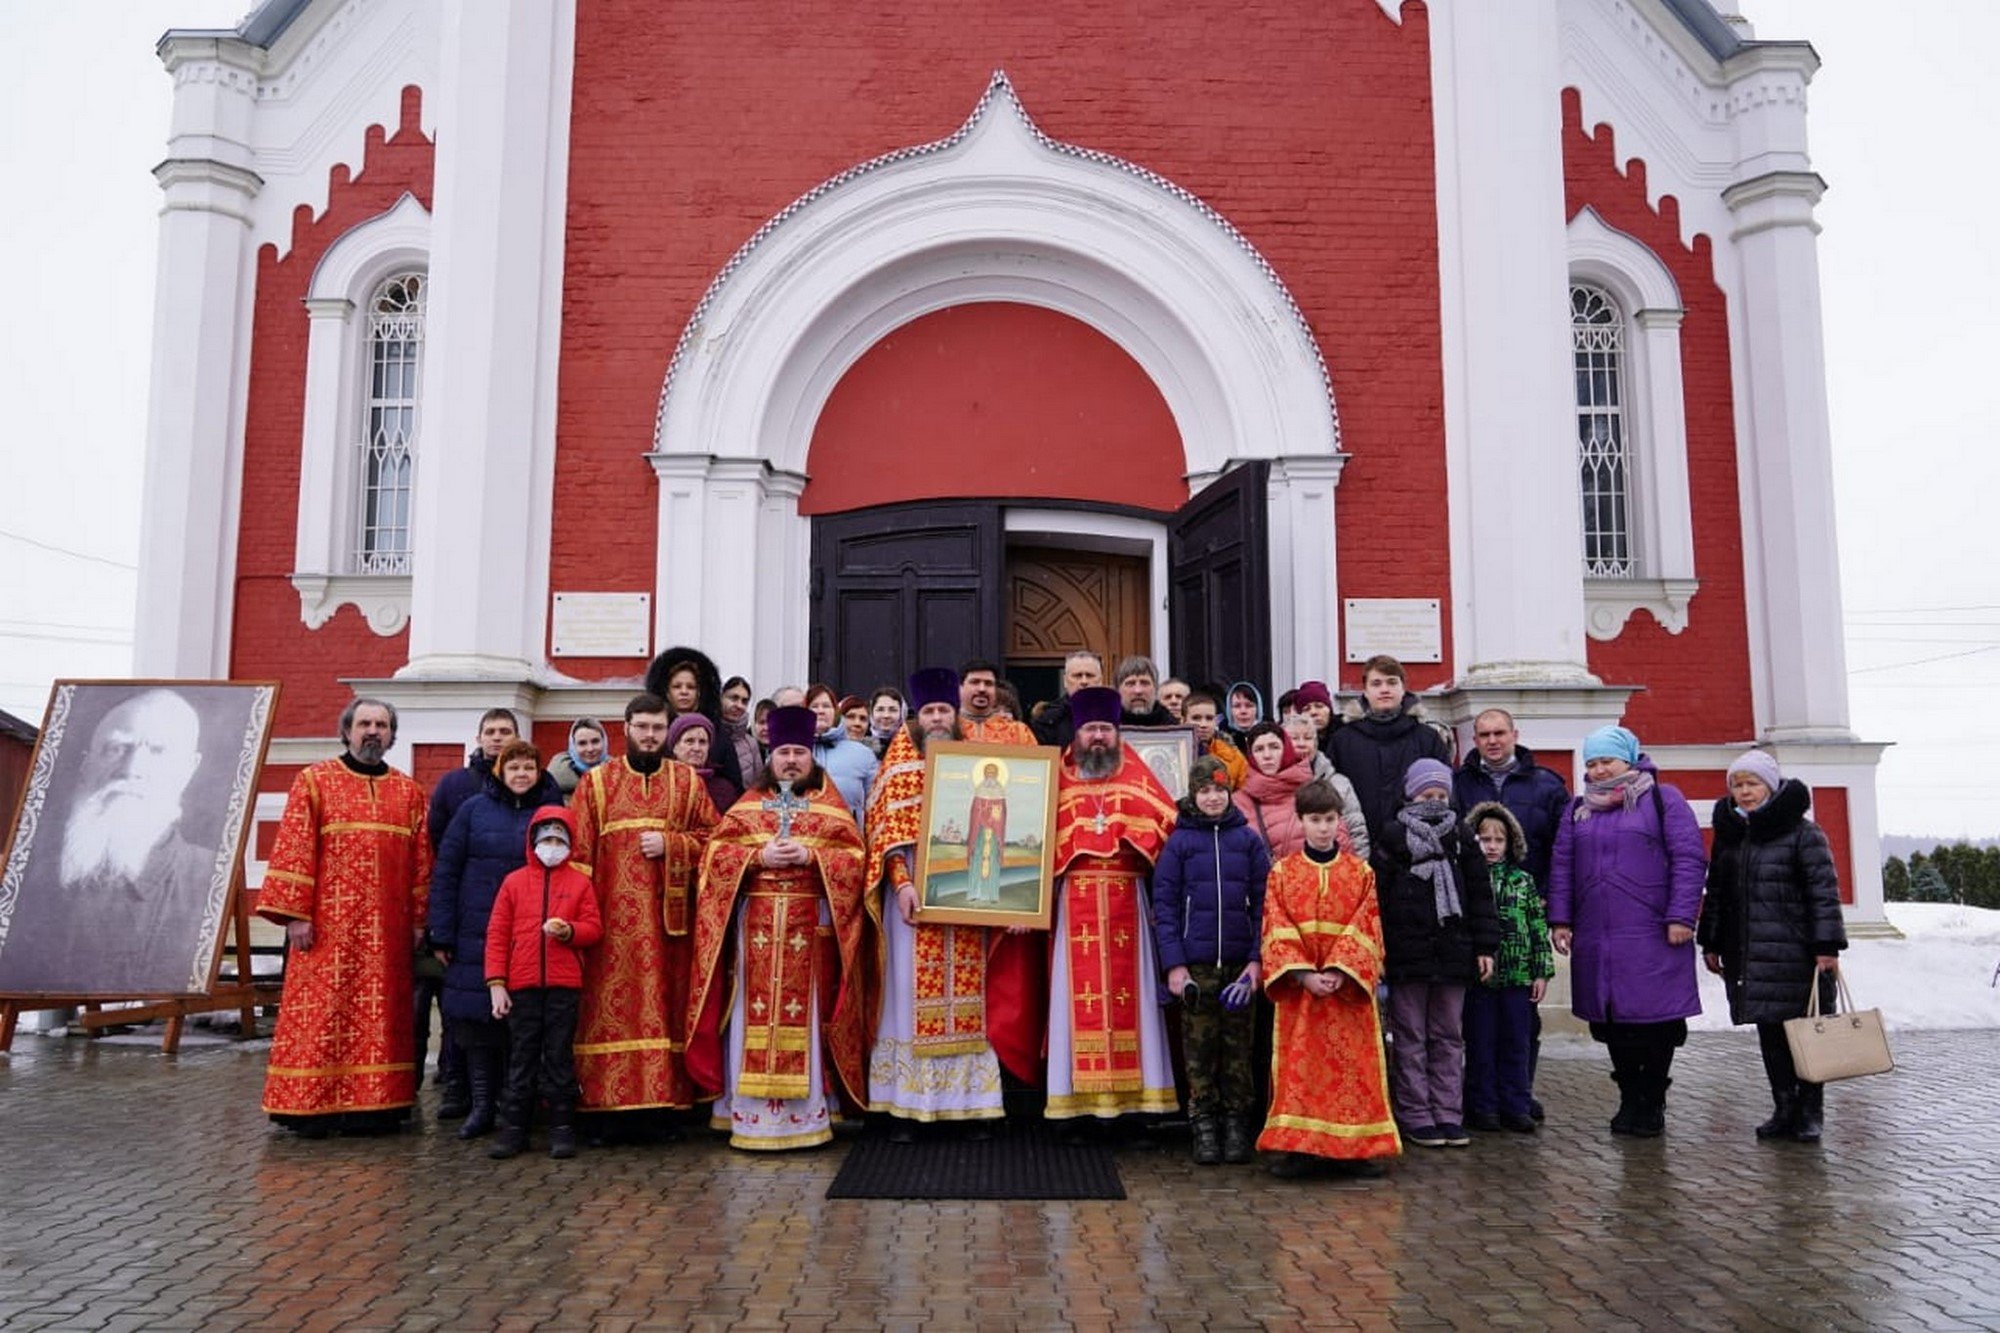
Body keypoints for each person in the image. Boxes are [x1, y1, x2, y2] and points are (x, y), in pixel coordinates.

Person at [687, 706, 875, 1150]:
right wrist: (757, 858)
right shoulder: (749, 806)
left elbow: (855, 861)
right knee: (750, 1018)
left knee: (805, 1018)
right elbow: (713, 860)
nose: (791, 760)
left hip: (809, 935)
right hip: (754, 932)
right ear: (771, 755)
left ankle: (805, 1118)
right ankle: (750, 1117)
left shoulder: (832, 808)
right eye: (784, 752)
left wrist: (814, 858)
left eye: (800, 753)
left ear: (812, 757)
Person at [864, 668, 1036, 1134]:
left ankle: (972, 1106)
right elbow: (885, 837)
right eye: (929, 711)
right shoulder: (898, 762)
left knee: (972, 999)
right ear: (916, 717)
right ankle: (908, 1107)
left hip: (966, 898)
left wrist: (1014, 898)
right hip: (915, 903)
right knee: (907, 1004)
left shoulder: (971, 759)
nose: (937, 718)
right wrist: (901, 885)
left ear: (954, 714)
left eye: (944, 710)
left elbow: (1008, 828)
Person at [258, 698, 431, 1137]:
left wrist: (417, 921)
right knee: (323, 1013)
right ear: (347, 730)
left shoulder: (408, 792)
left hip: (387, 933)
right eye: (365, 724)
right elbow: (295, 847)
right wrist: (295, 914)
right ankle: (311, 1106)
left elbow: (421, 863)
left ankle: (374, 1106)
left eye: (382, 725)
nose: (373, 732)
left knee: (381, 1017)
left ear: (392, 734)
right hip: (326, 928)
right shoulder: (315, 782)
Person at [568, 693, 720, 1141]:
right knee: (607, 1013)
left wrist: (673, 844)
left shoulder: (687, 783)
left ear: (666, 731)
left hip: (667, 926)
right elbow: (578, 857)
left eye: (657, 728)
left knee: (665, 1010)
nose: (650, 736)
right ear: (627, 728)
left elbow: (715, 839)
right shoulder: (597, 784)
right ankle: (603, 1111)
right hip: (609, 929)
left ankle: (663, 1111)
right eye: (642, 727)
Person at [3, 688, 216, 993]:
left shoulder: (207, 878)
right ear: (87, 764)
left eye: (157, 751)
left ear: (188, 768)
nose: (131, 770)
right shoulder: (32, 874)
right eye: (116, 748)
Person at [1549, 725, 1707, 1137]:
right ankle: (1628, 1096)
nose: (1599, 771)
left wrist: (1681, 916)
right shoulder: (1578, 809)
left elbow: (1688, 859)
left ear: (1630, 760)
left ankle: (1651, 1100)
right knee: (1613, 1019)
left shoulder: (1662, 799)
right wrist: (1561, 920)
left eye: (1607, 761)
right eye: (1592, 763)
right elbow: (1562, 866)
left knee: (1655, 1021)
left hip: (1653, 931)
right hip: (1599, 935)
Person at [1044, 687, 1180, 1126]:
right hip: (1075, 900)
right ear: (1077, 733)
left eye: (1105, 728)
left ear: (1117, 733)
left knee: (1133, 998)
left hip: (1127, 899)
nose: (1098, 737)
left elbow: (1166, 825)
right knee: (1073, 999)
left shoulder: (1137, 776)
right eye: (1090, 729)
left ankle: (1137, 1106)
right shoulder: (1057, 778)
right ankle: (1076, 1108)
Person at [1698, 750, 1847, 1144]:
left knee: (1805, 1034)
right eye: (1737, 785)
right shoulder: (1732, 836)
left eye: (1752, 784)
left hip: (1797, 954)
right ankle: (1784, 1108)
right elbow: (1716, 892)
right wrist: (1710, 940)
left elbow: (1823, 892)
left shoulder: (1803, 833)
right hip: (1750, 953)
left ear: (1771, 785)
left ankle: (1810, 1111)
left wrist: (1827, 944)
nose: (1744, 793)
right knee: (1770, 1034)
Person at [1258, 780, 1401, 1178]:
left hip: (1347, 991)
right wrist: (1303, 974)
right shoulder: (1282, 873)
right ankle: (1300, 1149)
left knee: (1352, 1069)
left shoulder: (1361, 873)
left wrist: (1339, 969)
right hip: (1300, 992)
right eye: (1315, 820)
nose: (1323, 828)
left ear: (1340, 822)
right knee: (1301, 1069)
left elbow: (1368, 926)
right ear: (1301, 821)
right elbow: (1275, 926)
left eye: (1330, 819)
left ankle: (1356, 1148)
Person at [1452, 706, 1570, 1119]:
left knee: (1522, 1026)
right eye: (1483, 734)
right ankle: (1482, 1099)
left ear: (1514, 734)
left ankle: (1519, 1093)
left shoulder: (1546, 785)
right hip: (1475, 924)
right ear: (1475, 739)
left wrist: (1554, 906)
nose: (1492, 741)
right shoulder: (1459, 783)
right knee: (1479, 1027)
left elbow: (1563, 850)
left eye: (1499, 733)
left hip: (1526, 910)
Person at [1151, 757, 1270, 1165]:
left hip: (1239, 967)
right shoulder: (1180, 843)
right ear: (1193, 794)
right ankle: (1203, 1123)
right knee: (1199, 1048)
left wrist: (1256, 962)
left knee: (1239, 1047)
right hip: (1196, 966)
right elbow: (1164, 906)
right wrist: (1174, 965)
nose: (1213, 798)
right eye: (1205, 791)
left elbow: (1265, 906)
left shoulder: (1248, 841)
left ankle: (1237, 1123)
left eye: (1220, 790)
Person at [428, 739, 549, 1139]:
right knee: (478, 1024)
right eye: (513, 767)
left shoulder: (549, 814)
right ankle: (481, 1106)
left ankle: (512, 1106)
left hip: (530, 933)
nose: (520, 775)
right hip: (475, 930)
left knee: (523, 1023)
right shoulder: (472, 811)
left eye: (528, 768)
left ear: (538, 772)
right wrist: (441, 931)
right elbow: (446, 870)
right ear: (500, 771)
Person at [1377, 758, 1497, 1148]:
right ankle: (1415, 1112)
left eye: (1441, 795)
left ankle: (1448, 1111)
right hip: (1406, 954)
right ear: (1411, 794)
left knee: (1448, 1035)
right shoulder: (1393, 837)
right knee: (1409, 1036)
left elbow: (1480, 895)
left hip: (1453, 950)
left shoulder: (1462, 838)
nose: (1434, 801)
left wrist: (1485, 947)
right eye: (1427, 794)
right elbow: (1378, 898)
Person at [485, 807, 604, 1161]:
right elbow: (497, 934)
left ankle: (562, 1127)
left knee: (558, 1057)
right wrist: (496, 982)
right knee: (521, 1057)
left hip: (563, 984)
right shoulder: (514, 882)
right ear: (534, 842)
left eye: (558, 840)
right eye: (546, 840)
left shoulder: (580, 883)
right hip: (522, 984)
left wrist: (569, 932)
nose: (552, 846)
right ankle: (514, 1129)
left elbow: (594, 928)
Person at [1461, 802, 1553, 1134]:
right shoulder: (1469, 878)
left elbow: (1537, 927)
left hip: (1518, 976)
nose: (1491, 846)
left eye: (1498, 840)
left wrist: (1541, 970)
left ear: (1510, 843)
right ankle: (1482, 1105)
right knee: (1481, 1043)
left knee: (1516, 1043)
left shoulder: (1522, 881)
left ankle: (1516, 1103)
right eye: (1484, 839)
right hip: (1481, 979)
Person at [1329, 655, 1450, 873]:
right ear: (1365, 691)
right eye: (1376, 683)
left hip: (1417, 857)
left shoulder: (1427, 738)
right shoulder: (1343, 740)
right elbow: (1331, 797)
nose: (1385, 689)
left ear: (1403, 689)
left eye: (1392, 682)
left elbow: (1447, 796)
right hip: (1357, 854)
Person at [1234, 722, 1369, 863]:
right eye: (1259, 749)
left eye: (1274, 747)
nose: (1267, 755)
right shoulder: (1239, 802)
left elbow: (1343, 845)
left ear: (1286, 749)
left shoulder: (1314, 792)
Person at [646, 645, 746, 792]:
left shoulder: (718, 732)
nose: (684, 692)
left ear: (699, 692)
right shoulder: (655, 730)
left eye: (690, 687)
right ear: (667, 692)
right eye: (677, 686)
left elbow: (733, 781)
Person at [794, 684, 880, 824]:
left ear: (835, 712)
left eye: (826, 706)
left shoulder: (862, 754)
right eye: (814, 706)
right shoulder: (788, 752)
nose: (820, 711)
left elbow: (876, 805)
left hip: (846, 838)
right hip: (802, 837)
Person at [669, 713, 741, 816]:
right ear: (675, 747)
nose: (697, 748)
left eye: (702, 742)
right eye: (689, 741)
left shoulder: (724, 789)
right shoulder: (663, 784)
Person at [1029, 649, 1105, 748]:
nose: (1084, 681)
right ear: (1065, 681)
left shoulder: (1116, 716)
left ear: (1100, 680)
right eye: (1077, 676)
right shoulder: (1047, 721)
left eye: (1090, 675)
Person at [958, 658, 1037, 745]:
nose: (982, 689)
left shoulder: (1019, 731)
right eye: (975, 682)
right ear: (960, 687)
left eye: (988, 683)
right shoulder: (948, 727)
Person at [1181, 690, 1248, 789]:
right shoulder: (1172, 753)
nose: (1203, 724)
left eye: (1209, 718)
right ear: (1183, 721)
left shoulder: (1234, 756)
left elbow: (1245, 794)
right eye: (1196, 718)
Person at [719, 676, 762, 789]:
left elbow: (758, 785)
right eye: (734, 698)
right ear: (721, 697)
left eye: (744, 701)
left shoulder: (751, 743)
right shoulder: (706, 736)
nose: (739, 705)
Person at [547, 718, 609, 796]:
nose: (590, 749)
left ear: (604, 742)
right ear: (572, 746)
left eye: (595, 741)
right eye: (582, 743)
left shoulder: (619, 775)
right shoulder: (554, 783)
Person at [1112, 655, 1176, 728]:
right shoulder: (1106, 727)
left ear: (1156, 689)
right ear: (1117, 690)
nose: (1138, 691)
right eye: (1130, 684)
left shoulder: (1173, 728)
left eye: (1145, 683)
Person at [1290, 680, 1339, 761]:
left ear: (1330, 709)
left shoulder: (1346, 738)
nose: (1313, 712)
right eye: (1306, 709)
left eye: (1319, 706)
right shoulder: (1294, 743)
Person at [1222, 680, 1266, 752]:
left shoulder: (1271, 736)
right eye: (1237, 706)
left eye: (1249, 706)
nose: (1243, 711)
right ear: (1229, 710)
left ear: (1258, 709)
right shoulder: (1219, 740)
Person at [867, 686, 905, 756]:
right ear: (871, 713)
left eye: (893, 710)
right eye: (880, 709)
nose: (886, 715)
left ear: (902, 714)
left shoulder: (911, 744)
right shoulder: (862, 745)